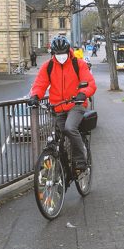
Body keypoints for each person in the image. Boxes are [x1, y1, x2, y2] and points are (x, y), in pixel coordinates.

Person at [28, 36, 97, 170]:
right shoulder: (48, 67)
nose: (61, 56)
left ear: (68, 51)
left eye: (63, 53)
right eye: (57, 54)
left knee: (70, 128)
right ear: (53, 54)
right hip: (58, 107)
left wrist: (83, 93)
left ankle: (80, 160)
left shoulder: (79, 64)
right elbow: (40, 84)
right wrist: (35, 96)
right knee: (59, 138)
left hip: (76, 105)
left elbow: (90, 84)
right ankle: (62, 167)